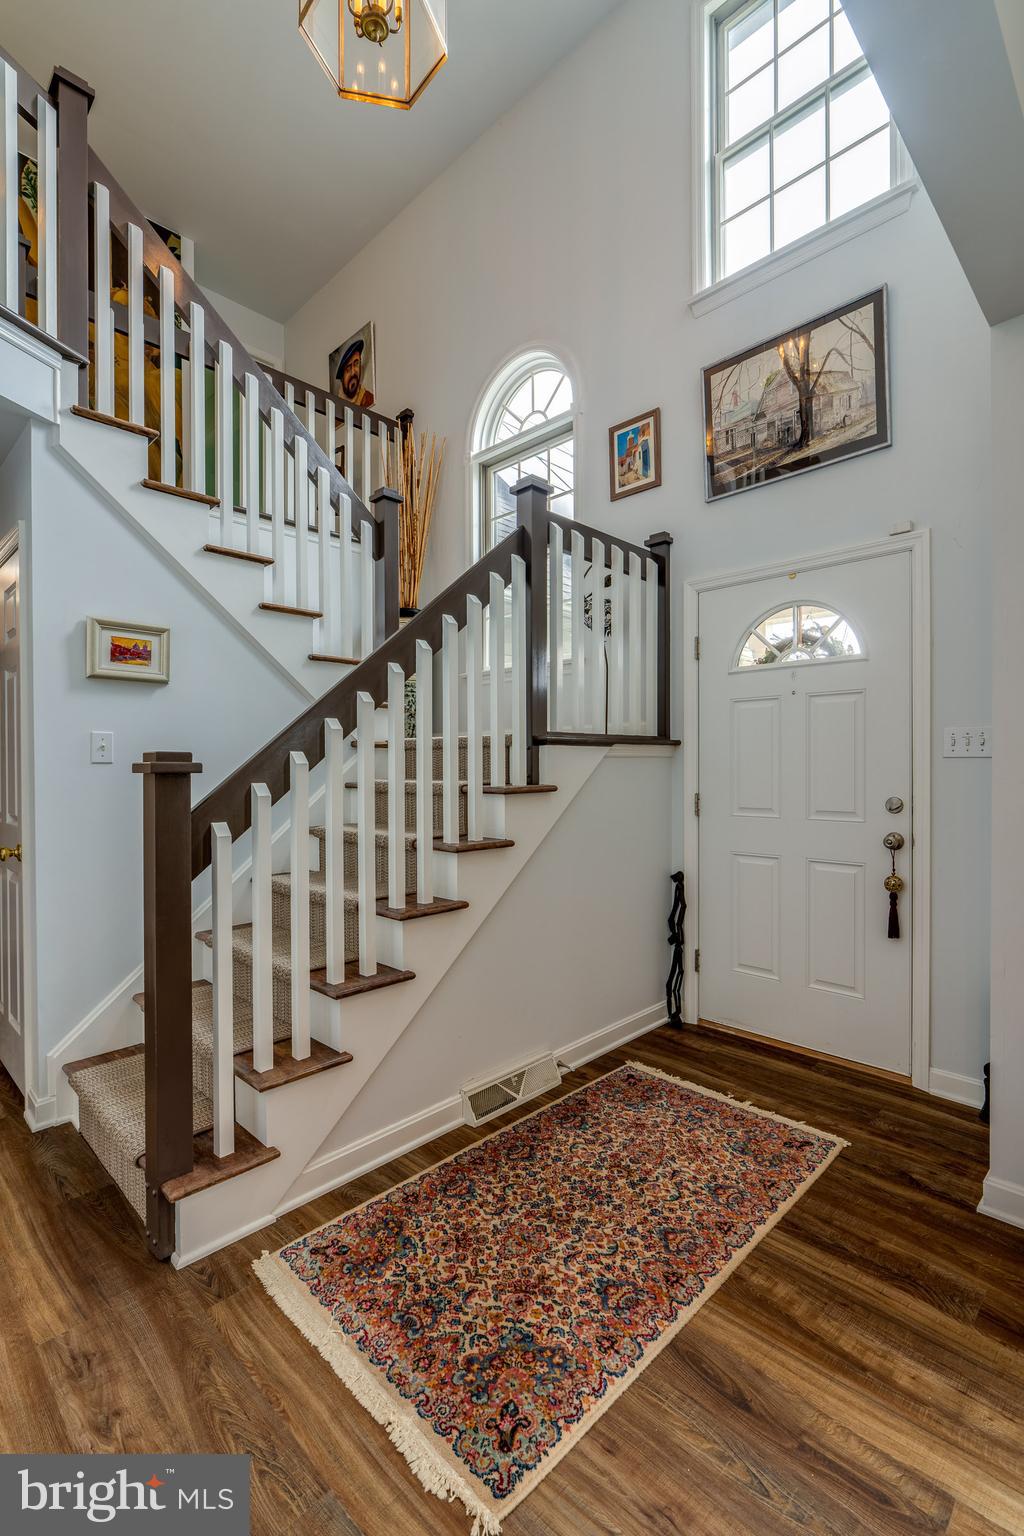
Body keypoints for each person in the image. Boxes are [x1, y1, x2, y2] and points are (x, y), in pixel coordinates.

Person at [334, 336, 375, 409]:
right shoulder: (336, 409)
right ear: (342, 377)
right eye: (348, 368)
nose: (353, 372)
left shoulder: (368, 399)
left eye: (356, 364)